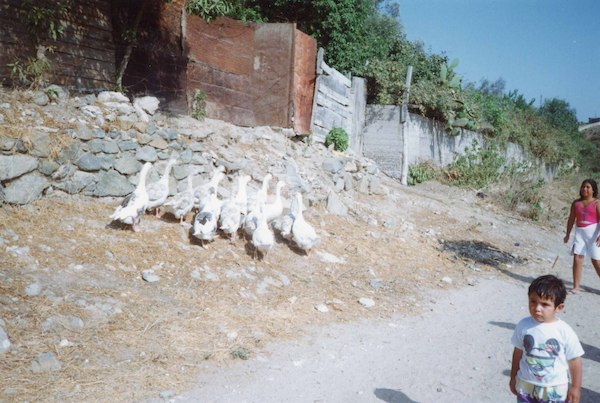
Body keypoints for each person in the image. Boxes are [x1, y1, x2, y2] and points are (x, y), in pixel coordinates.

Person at [509, 275, 584, 403]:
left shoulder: (564, 331)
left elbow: (575, 360)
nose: (537, 308)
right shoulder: (523, 325)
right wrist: (513, 376)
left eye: (545, 304)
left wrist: (576, 388)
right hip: (526, 384)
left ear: (559, 307)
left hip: (554, 388)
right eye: (533, 301)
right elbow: (518, 352)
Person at [563, 178, 600, 294]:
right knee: (577, 258)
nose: (585, 189)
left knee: (596, 261)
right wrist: (568, 234)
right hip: (580, 233)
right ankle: (576, 287)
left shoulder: (597, 203)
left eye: (588, 187)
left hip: (594, 234)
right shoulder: (576, 203)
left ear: (593, 190)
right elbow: (571, 219)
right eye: (583, 187)